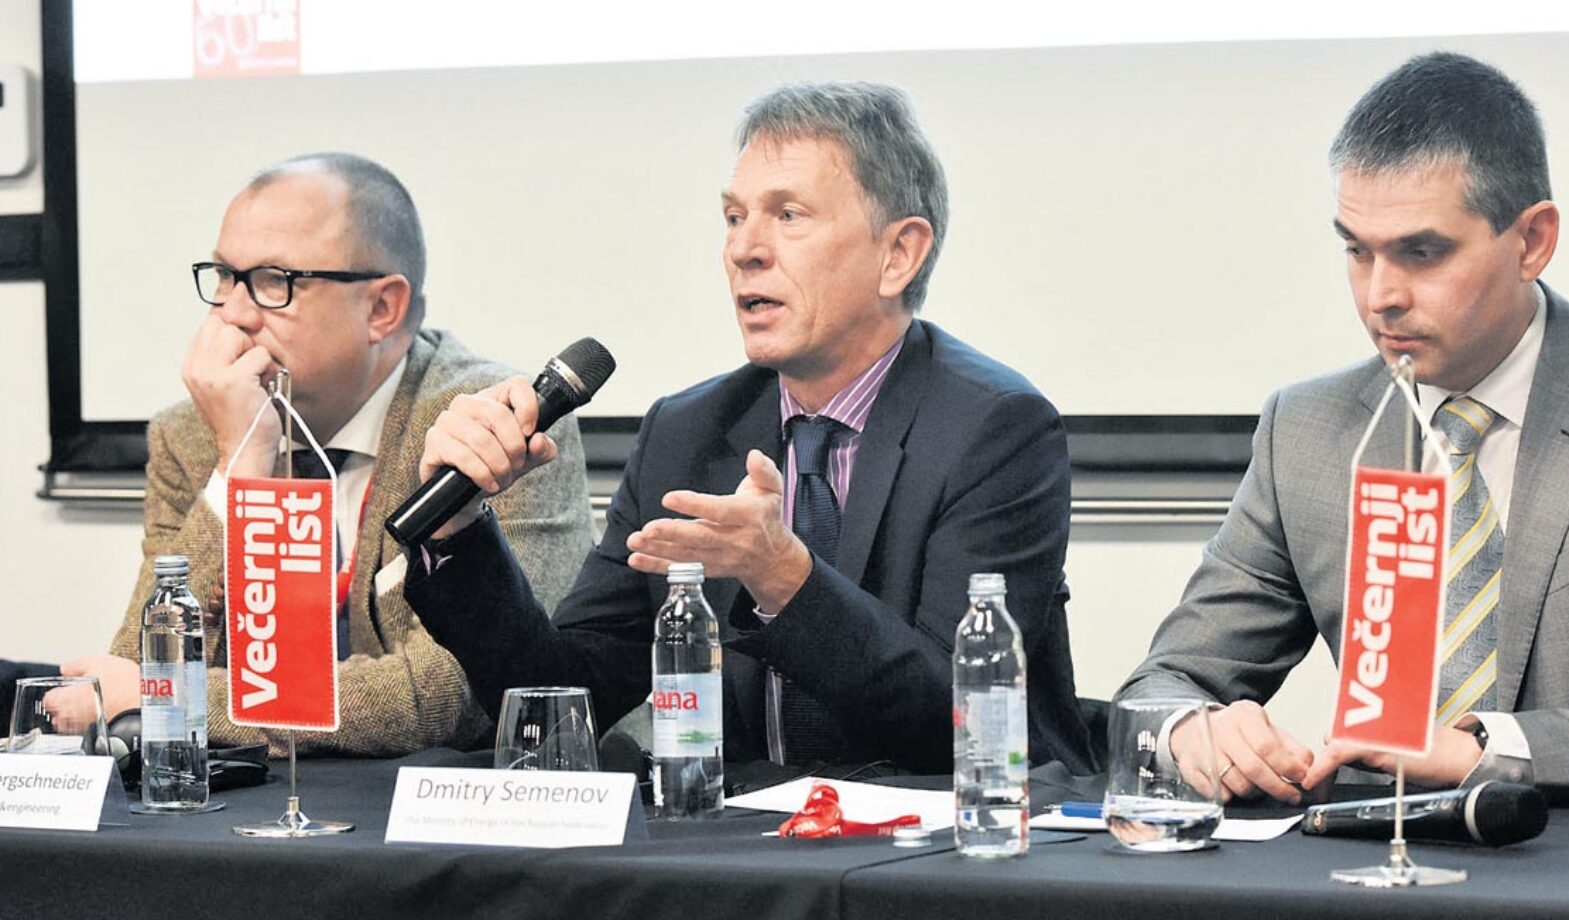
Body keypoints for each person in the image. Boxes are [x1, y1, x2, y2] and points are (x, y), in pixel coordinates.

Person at [405, 82, 1096, 775]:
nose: (743, 249)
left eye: (788, 215)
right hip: (744, 836)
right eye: (734, 218)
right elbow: (566, 697)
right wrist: (459, 532)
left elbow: (961, 722)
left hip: (951, 831)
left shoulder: (995, 430)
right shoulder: (687, 433)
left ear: (899, 255)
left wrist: (784, 577)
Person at [1120, 52, 1569, 801]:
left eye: (1422, 253)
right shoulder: (1308, 433)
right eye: (1357, 250)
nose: (1380, 296)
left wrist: (1482, 750)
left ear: (1532, 241)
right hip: (1365, 854)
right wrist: (1194, 731)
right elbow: (1164, 684)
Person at [59, 153, 594, 757]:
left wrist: (181, 701)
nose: (232, 314)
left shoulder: (488, 426)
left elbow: (456, 696)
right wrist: (238, 468)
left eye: (273, 281)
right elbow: (135, 674)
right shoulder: (193, 434)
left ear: (382, 309)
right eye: (226, 277)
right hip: (257, 802)